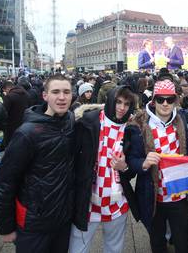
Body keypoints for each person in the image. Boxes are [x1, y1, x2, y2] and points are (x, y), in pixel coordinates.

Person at [0, 74, 76, 252]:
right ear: (45, 96)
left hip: (62, 220)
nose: (61, 97)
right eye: (55, 92)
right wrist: (6, 227)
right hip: (34, 224)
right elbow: (5, 182)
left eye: (66, 92)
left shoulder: (69, 120)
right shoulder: (27, 133)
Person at [124, 79, 188, 253]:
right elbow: (131, 160)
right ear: (153, 100)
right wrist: (143, 163)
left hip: (179, 195)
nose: (165, 103)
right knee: (157, 242)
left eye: (170, 99)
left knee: (183, 241)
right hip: (153, 196)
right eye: (160, 99)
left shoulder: (182, 119)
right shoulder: (139, 125)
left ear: (175, 100)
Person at [69, 86, 139, 253]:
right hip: (87, 200)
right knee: (78, 247)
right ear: (110, 100)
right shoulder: (88, 121)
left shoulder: (131, 129)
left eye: (127, 104)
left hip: (116, 200)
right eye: (118, 102)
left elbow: (132, 171)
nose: (122, 108)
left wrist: (125, 167)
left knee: (114, 248)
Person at [2, 80, 29, 149]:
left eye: (5, 91)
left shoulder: (9, 97)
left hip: (11, 126)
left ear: (7, 88)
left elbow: (4, 112)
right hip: (24, 123)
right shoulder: (25, 93)